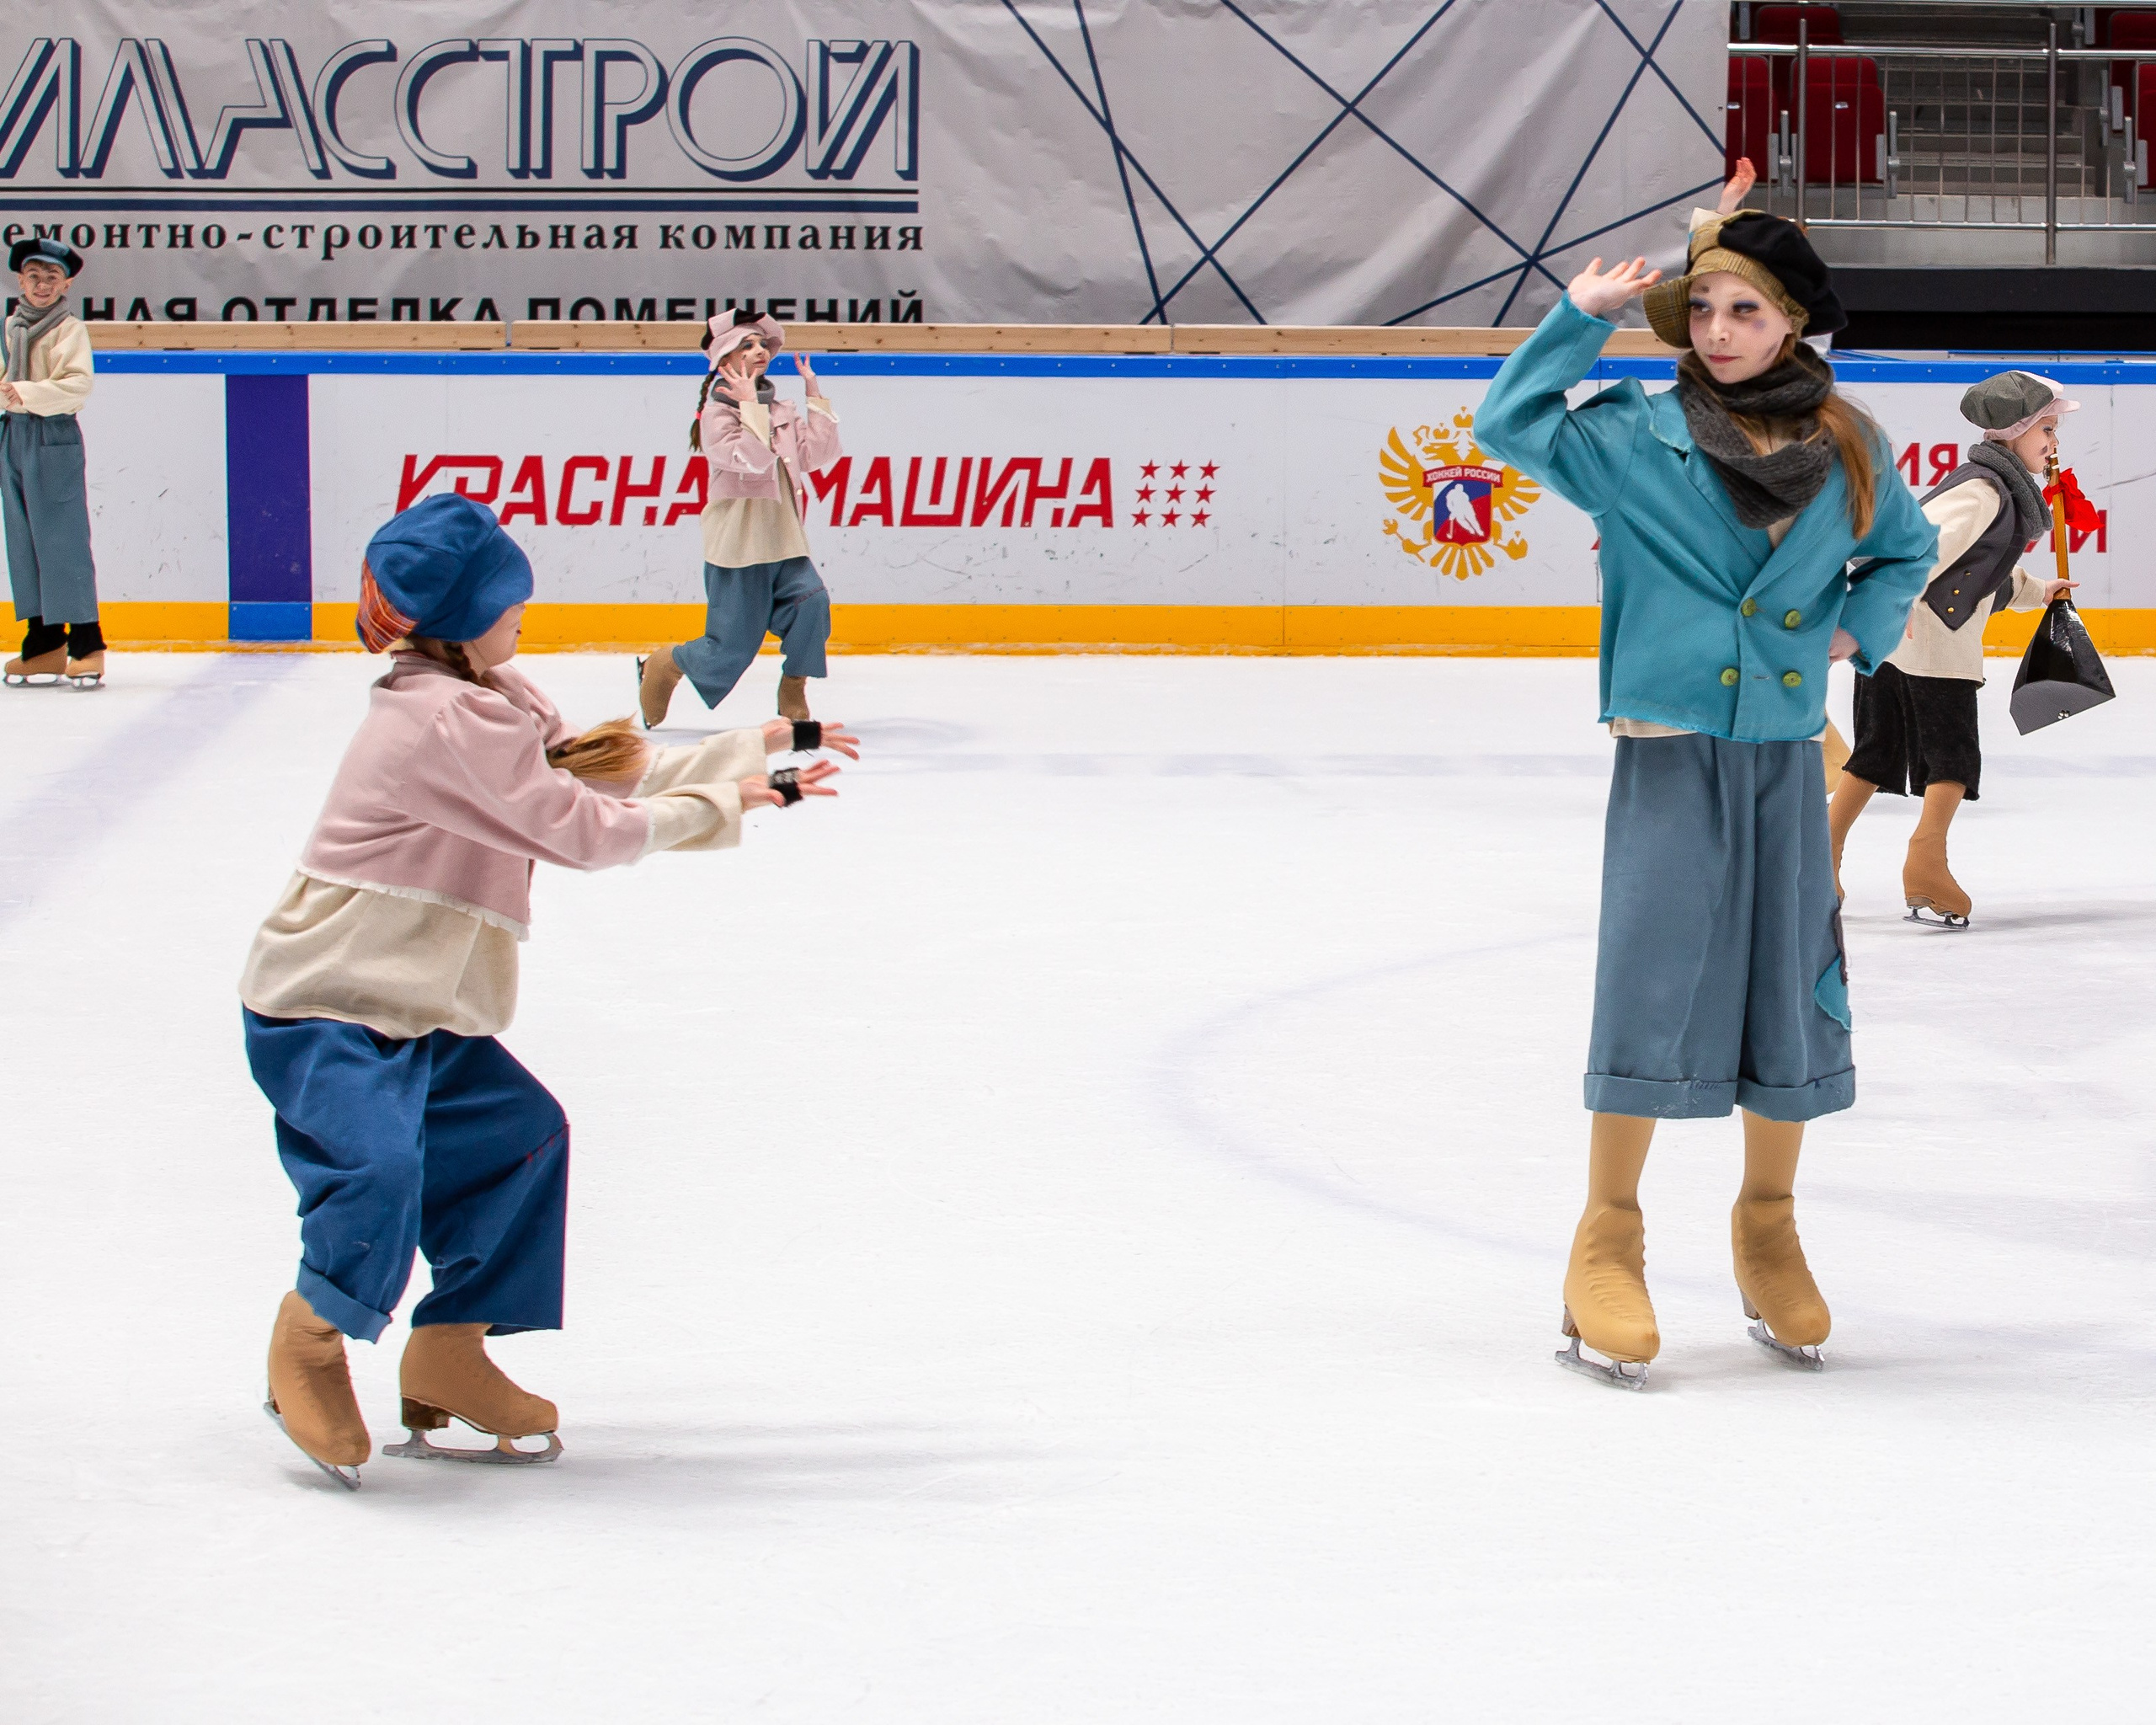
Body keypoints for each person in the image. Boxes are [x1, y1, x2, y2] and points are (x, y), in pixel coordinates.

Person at [239, 493, 856, 1487]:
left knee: (521, 1136)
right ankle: (307, 1345)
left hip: (418, 1008)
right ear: (457, 616)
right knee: (380, 1169)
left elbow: (596, 771)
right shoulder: (438, 719)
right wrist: (725, 802)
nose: (522, 615)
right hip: (330, 1003)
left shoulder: (492, 694)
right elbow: (579, 830)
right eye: (507, 601)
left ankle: (450, 1344)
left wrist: (765, 750)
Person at [1475, 209, 1937, 1387]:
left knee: (1791, 977)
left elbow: (1907, 549)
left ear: (1790, 323)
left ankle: (1768, 1222)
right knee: (1655, 967)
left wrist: (1854, 630)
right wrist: (1579, 320)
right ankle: (1607, 1236)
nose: (1724, 331)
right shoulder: (1629, 434)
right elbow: (1506, 422)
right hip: (1671, 744)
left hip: (1783, 747)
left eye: (1750, 310)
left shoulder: (1849, 443)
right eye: (1709, 311)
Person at [1828, 371, 2079, 927]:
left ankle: (1821, 858)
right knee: (1954, 758)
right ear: (2014, 432)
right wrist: (1899, 595)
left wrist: (2039, 591)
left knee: (1874, 752)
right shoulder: (1986, 490)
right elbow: (1926, 547)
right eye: (2047, 429)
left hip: (1899, 639)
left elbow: (1981, 569)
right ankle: (1927, 867)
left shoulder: (1988, 486)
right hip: (1935, 642)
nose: (2054, 444)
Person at [638, 310, 843, 729]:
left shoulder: (779, 408)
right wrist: (750, 406)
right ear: (723, 361)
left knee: (813, 605)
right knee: (728, 650)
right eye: (745, 345)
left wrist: (813, 392)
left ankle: (794, 684)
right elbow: (751, 460)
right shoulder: (717, 414)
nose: (759, 351)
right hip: (739, 546)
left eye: (762, 344)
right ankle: (666, 664)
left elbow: (818, 456)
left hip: (785, 539)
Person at [2, 237, 102, 689]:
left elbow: (79, 384)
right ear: (20, 280)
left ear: (67, 283)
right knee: (24, 539)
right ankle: (43, 644)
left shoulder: (68, 330)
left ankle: (87, 642)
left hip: (52, 433)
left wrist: (28, 392)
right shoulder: (11, 326)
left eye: (52, 278)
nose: (43, 285)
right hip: (14, 434)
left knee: (61, 538)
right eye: (34, 276)